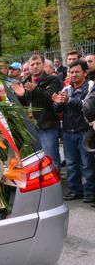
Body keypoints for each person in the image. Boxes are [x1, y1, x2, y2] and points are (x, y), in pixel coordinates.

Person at [52, 60, 95, 202]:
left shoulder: (90, 86)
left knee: (87, 164)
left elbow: (88, 107)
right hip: (68, 132)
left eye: (77, 72)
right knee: (71, 164)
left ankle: (90, 192)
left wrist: (69, 100)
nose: (74, 75)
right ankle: (75, 190)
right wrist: (57, 103)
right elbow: (57, 111)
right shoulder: (65, 89)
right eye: (71, 72)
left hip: (84, 131)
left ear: (85, 72)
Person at [12, 54, 63, 172]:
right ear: (28, 67)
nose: (35, 67)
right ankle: (41, 188)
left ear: (43, 65)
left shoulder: (53, 79)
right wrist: (21, 96)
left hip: (46, 127)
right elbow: (22, 104)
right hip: (30, 128)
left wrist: (35, 89)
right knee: (35, 162)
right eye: (32, 64)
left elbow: (51, 99)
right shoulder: (25, 81)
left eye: (38, 64)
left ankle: (55, 189)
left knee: (51, 160)